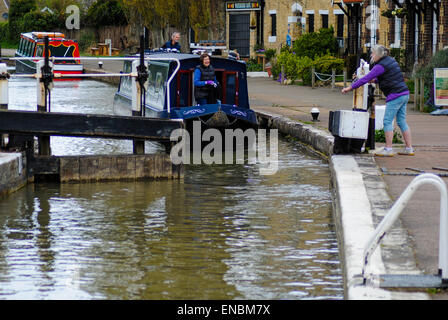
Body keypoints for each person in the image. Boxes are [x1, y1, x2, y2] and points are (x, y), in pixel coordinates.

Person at [341, 45, 414, 157]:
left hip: (395, 95)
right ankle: (409, 149)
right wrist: (371, 80)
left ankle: (388, 149)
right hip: (404, 93)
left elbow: (366, 78)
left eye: (372, 53)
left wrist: (350, 88)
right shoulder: (391, 61)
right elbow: (383, 77)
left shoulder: (380, 66)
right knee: (401, 121)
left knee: (387, 121)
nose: (371, 55)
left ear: (378, 54)